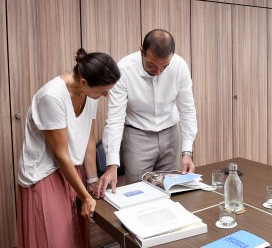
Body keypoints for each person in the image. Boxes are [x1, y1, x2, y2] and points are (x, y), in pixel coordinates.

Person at [17, 48, 121, 248]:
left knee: (75, 237)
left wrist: (91, 181)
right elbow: (61, 154)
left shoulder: (90, 94)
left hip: (71, 170)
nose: (106, 95)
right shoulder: (52, 97)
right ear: (83, 82)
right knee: (55, 240)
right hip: (44, 174)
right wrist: (84, 196)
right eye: (103, 91)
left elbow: (87, 139)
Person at [96, 29, 197, 196]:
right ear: (141, 50)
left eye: (164, 66)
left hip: (171, 133)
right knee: (138, 192)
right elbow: (115, 118)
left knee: (169, 190)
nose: (157, 72)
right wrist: (112, 164)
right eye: (152, 65)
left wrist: (187, 152)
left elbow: (187, 110)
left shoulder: (179, 66)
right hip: (137, 135)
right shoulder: (124, 69)